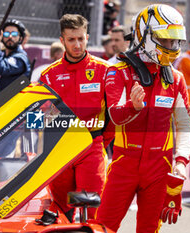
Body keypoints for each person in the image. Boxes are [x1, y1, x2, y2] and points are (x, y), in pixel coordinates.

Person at [96, 4, 190, 232]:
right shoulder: (118, 70)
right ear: (145, 36)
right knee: (103, 226)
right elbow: (116, 117)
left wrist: (180, 164)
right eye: (165, 40)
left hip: (161, 167)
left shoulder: (176, 78)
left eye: (174, 41)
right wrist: (133, 107)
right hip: (124, 164)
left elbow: (185, 125)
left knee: (150, 228)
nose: (171, 47)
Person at [39, 14, 111, 221]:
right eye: (71, 39)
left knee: (91, 209)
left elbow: (114, 116)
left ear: (87, 37)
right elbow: (45, 117)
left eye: (81, 38)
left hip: (92, 147)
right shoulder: (48, 75)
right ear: (62, 41)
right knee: (60, 210)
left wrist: (100, 141)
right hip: (61, 149)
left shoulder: (105, 71)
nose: (77, 44)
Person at [0, 19, 31, 96]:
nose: (10, 37)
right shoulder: (4, 55)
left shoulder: (20, 58)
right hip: (0, 101)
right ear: (2, 37)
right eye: (6, 34)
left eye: (14, 34)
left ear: (20, 38)